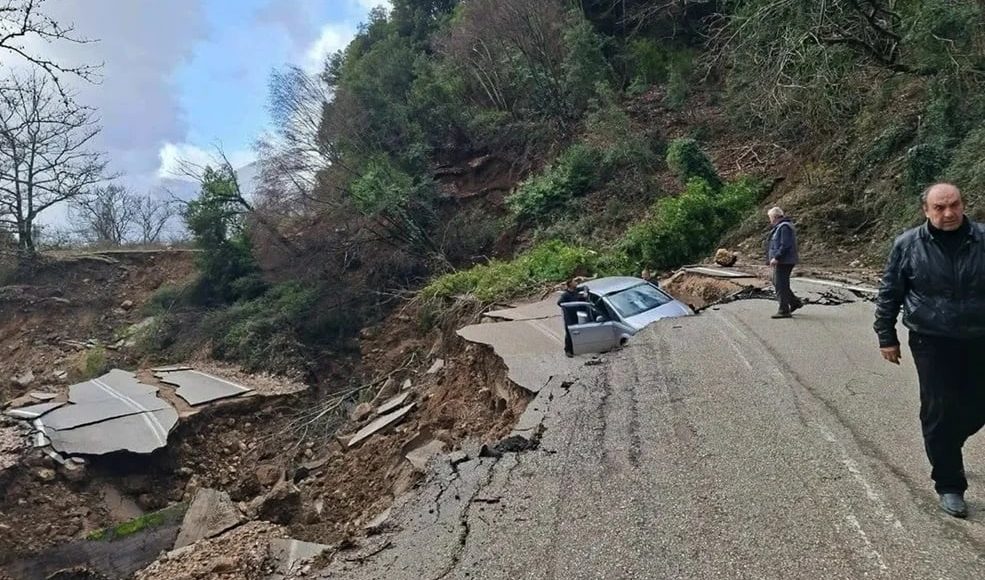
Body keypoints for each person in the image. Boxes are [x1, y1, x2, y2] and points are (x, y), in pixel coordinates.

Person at [874, 182, 985, 518]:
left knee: (976, 405)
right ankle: (950, 484)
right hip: (931, 340)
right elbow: (890, 291)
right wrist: (885, 335)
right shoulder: (908, 245)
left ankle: (948, 442)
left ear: (963, 204)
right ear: (926, 210)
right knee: (939, 410)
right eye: (939, 207)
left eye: (954, 205)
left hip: (980, 337)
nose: (948, 213)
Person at [766, 207, 803, 319]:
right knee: (778, 282)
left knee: (780, 284)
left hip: (784, 260)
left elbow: (785, 244)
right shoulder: (781, 226)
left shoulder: (784, 227)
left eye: (770, 218)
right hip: (784, 260)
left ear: (775, 217)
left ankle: (784, 310)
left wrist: (777, 257)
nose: (770, 220)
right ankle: (794, 302)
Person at [558, 278, 586, 357]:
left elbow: (585, 287)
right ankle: (568, 350)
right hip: (568, 316)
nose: (576, 283)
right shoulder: (565, 295)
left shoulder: (575, 291)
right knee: (569, 333)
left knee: (575, 331)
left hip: (575, 314)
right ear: (570, 284)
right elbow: (559, 303)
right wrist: (568, 307)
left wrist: (585, 294)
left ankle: (574, 349)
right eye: (574, 282)